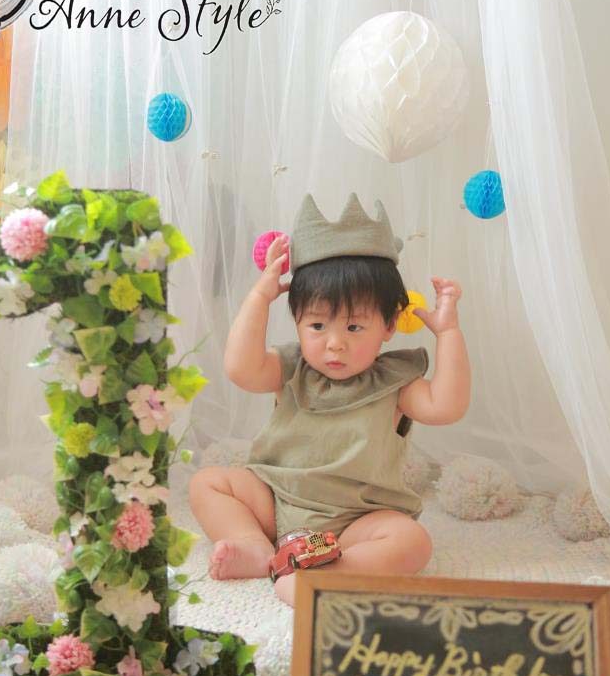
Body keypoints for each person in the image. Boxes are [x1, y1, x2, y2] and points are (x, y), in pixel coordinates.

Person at [188, 192, 471, 607]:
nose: (335, 343)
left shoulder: (394, 383)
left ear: (389, 325)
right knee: (208, 482)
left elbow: (447, 406)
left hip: (355, 521)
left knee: (411, 540)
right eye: (318, 326)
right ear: (298, 322)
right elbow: (239, 368)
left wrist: (448, 334)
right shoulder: (291, 368)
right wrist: (260, 298)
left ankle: (325, 573)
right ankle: (254, 545)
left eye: (354, 327)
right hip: (277, 504)